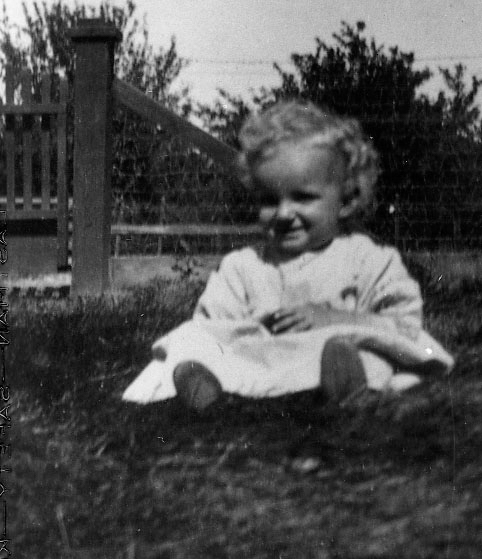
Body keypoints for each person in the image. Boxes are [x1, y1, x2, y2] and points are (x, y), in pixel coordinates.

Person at [123, 101, 454, 412]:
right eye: (269, 200)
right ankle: (203, 390)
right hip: (263, 359)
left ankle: (349, 388)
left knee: (368, 354)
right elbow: (213, 326)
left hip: (332, 353)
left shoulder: (369, 261)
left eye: (303, 197)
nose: (283, 214)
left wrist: (339, 320)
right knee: (191, 339)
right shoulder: (243, 267)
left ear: (347, 200)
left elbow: (405, 330)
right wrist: (250, 328)